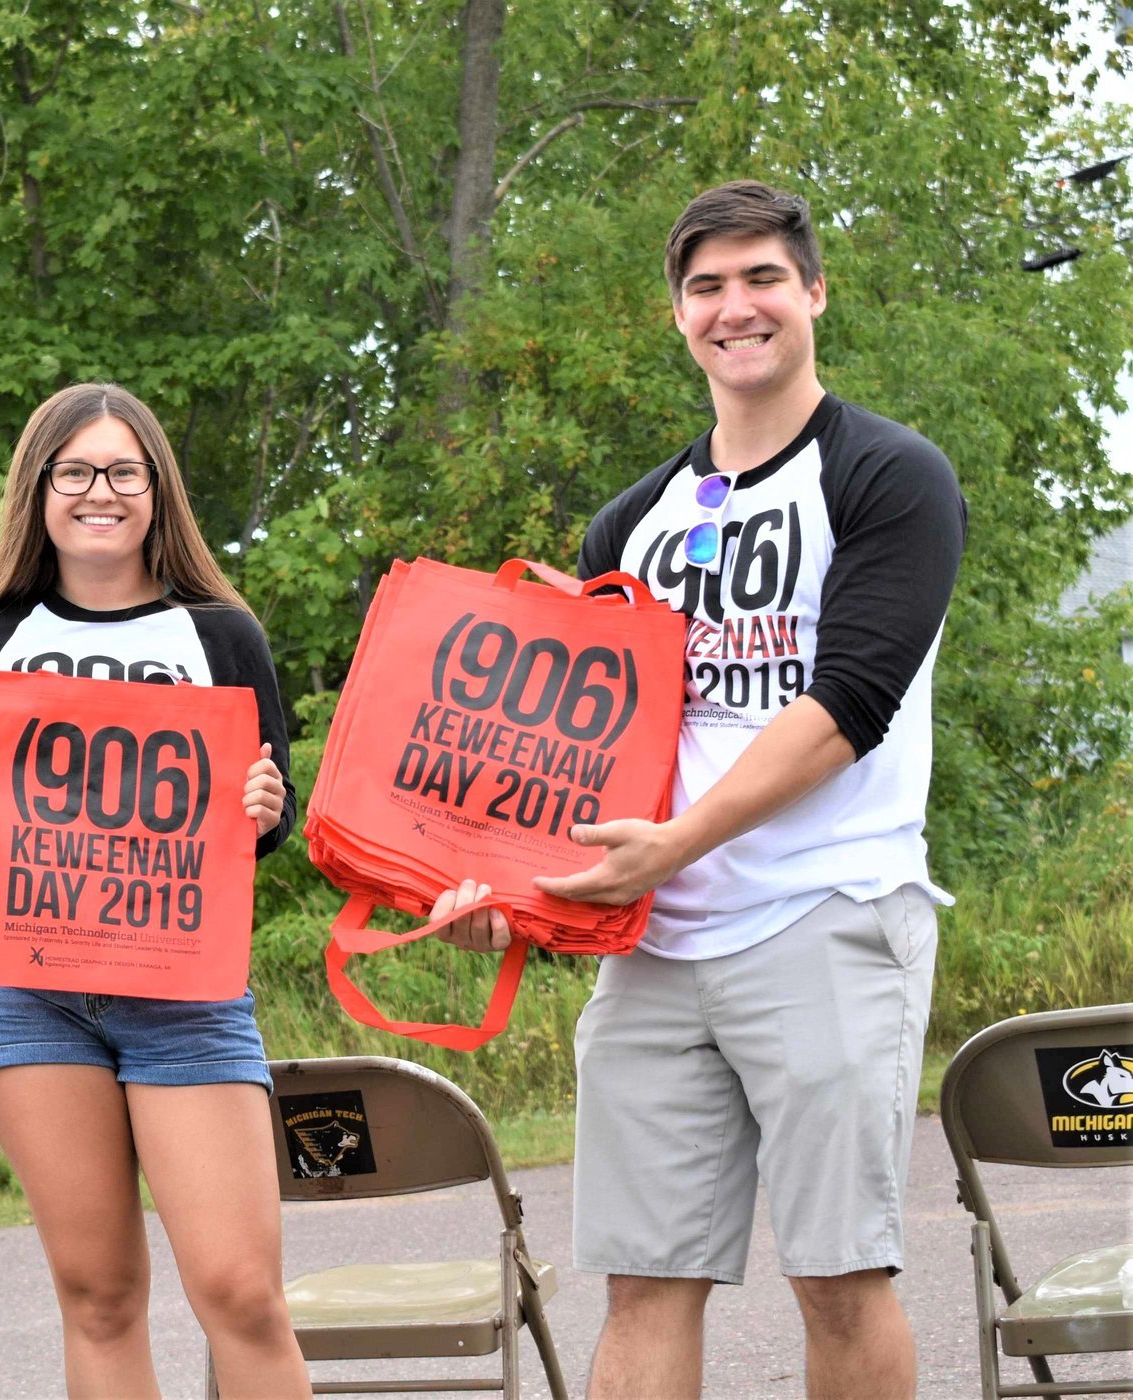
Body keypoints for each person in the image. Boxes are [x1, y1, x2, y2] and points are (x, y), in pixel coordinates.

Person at [431, 181, 965, 1398]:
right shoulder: (631, 524)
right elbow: (582, 749)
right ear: (678, 316)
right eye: (709, 286)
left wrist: (672, 844)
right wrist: (523, 892)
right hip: (655, 946)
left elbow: (847, 707)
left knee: (839, 1275)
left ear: (814, 291)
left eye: (764, 277)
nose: (738, 307)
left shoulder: (890, 475)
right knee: (646, 1278)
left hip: (827, 913)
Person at [0, 382, 312, 1399]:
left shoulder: (224, 636)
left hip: (186, 992)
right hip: (31, 998)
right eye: (77, 472)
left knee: (242, 1294)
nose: (101, 491)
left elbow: (268, 830)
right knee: (98, 1292)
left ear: (156, 489)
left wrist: (263, 804)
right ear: (41, 490)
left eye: (123, 471)